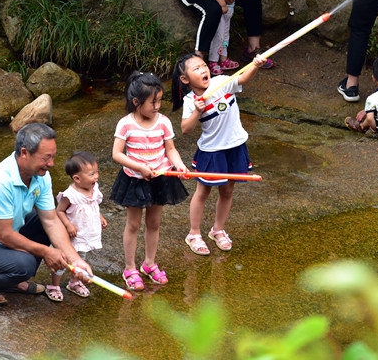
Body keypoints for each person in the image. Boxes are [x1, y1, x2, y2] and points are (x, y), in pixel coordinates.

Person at [0, 123, 93, 305]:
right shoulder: (0, 182)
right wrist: (46, 251)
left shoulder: (40, 175)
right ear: (25, 153)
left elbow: (50, 220)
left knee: (42, 223)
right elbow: (4, 235)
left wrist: (76, 260)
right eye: (46, 158)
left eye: (53, 157)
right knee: (24, 265)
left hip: (2, 237)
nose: (51, 164)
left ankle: (10, 277)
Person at [171, 51, 267, 256]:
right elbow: (185, 130)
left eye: (204, 65)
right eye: (196, 68)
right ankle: (194, 233)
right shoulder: (191, 100)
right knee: (203, 191)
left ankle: (218, 230)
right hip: (212, 151)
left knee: (227, 190)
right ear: (185, 79)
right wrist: (197, 111)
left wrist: (255, 65)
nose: (203, 69)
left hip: (235, 146)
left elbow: (242, 77)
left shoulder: (222, 81)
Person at [110, 72, 189, 289]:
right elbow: (117, 154)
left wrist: (179, 165)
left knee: (154, 224)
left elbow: (170, 149)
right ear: (136, 102)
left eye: (160, 100)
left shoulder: (163, 122)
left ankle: (149, 264)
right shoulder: (126, 124)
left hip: (160, 178)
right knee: (133, 224)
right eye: (152, 102)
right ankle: (130, 268)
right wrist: (140, 167)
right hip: (135, 179)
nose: (157, 106)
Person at [50, 151, 107, 300]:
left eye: (96, 172)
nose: (96, 177)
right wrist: (68, 225)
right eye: (91, 174)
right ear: (77, 178)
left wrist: (99, 216)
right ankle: (54, 285)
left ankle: (74, 282)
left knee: (81, 258)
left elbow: (94, 205)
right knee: (63, 262)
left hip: (85, 234)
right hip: (71, 236)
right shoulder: (70, 195)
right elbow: (59, 211)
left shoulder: (94, 189)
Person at [207, 0, 249, 76]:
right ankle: (213, 61)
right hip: (222, 14)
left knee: (225, 36)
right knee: (218, 37)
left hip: (227, 15)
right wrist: (223, 5)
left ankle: (224, 60)